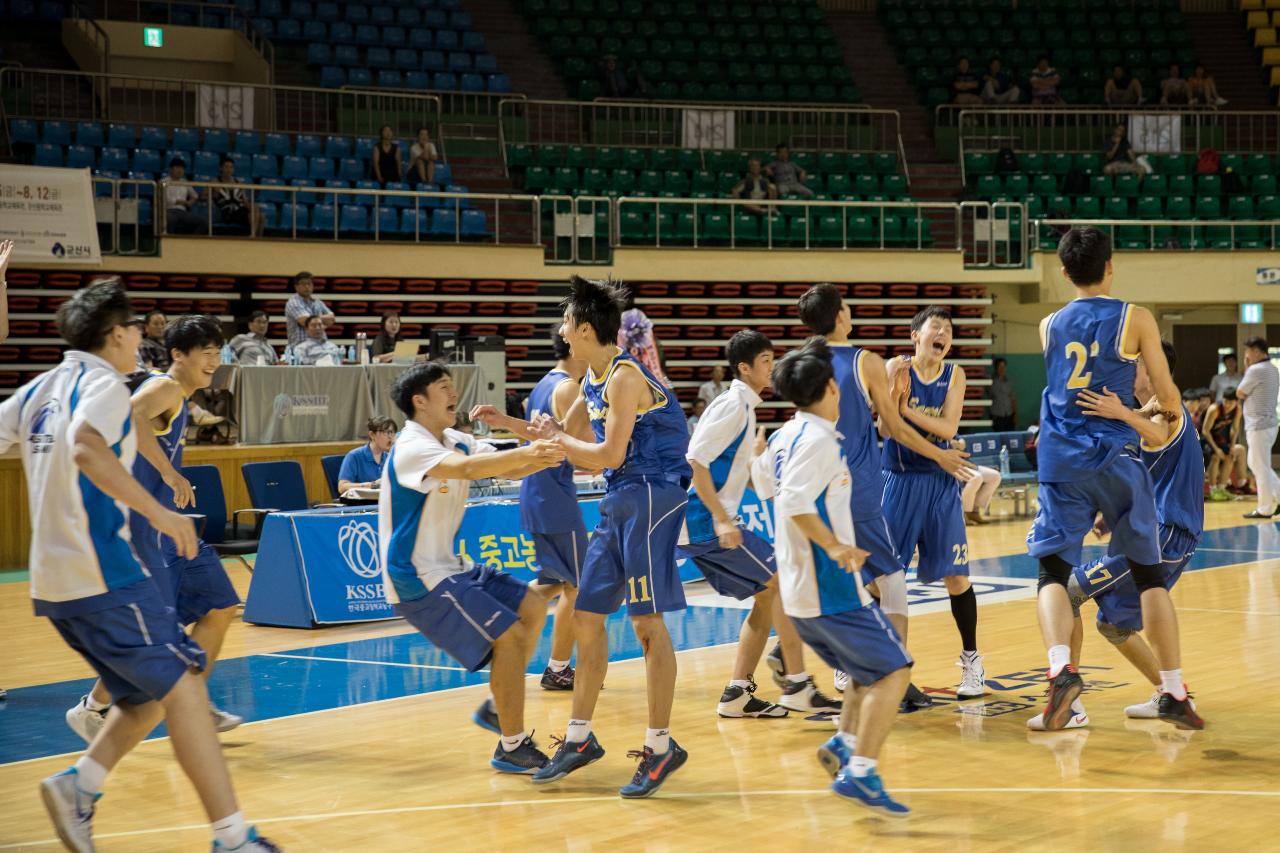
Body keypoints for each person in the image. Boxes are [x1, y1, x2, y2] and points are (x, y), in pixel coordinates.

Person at [0, 280, 279, 852]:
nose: (141, 342)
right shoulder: (105, 384)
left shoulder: (39, 390)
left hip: (53, 583)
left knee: (148, 694)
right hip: (105, 569)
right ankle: (234, 838)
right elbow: (84, 445)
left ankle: (80, 785)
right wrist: (163, 509)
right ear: (118, 334)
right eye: (136, 331)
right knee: (185, 693)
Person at [1028, 226, 1199, 731]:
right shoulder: (1136, 317)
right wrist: (1138, 408)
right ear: (1110, 266)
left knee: (1052, 575)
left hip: (1061, 459)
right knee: (1149, 579)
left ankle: (1061, 668)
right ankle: (1172, 688)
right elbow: (1168, 396)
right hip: (1117, 459)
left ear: (1063, 273)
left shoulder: (1048, 324)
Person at [529, 276, 693, 798]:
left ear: (582, 329)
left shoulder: (624, 377)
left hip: (650, 495)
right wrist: (504, 423)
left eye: (564, 324)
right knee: (586, 616)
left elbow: (609, 455)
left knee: (646, 625)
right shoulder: (589, 381)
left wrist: (558, 440)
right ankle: (578, 738)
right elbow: (554, 438)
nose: (559, 331)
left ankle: (662, 746)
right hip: (619, 499)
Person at [378, 361, 565, 775]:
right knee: (511, 637)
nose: (454, 393)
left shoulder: (455, 438)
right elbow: (465, 470)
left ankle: (499, 708)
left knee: (532, 608)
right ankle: (512, 746)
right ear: (419, 401)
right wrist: (532, 452)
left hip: (450, 566)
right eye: (444, 387)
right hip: (417, 576)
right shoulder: (411, 446)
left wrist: (548, 455)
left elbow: (505, 465)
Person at [753, 338, 914, 816]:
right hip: (830, 587)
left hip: (804, 595)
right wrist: (836, 546)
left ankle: (845, 743)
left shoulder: (785, 436)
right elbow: (793, 501)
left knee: (867, 672)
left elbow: (763, 482)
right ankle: (861, 772)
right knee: (894, 671)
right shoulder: (819, 441)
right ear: (828, 389)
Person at [66, 314, 245, 742]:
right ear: (178, 355)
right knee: (151, 638)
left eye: (217, 353)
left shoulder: (182, 397)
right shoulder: (164, 387)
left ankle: (194, 701)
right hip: (143, 534)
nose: (213, 361)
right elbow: (130, 417)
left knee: (219, 606)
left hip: (172, 534)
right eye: (205, 353)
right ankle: (93, 708)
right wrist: (168, 472)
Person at [794, 283, 971, 709]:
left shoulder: (801, 362)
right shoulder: (866, 361)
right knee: (891, 580)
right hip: (855, 485)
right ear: (840, 316)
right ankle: (895, 676)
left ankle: (807, 668)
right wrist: (941, 455)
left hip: (805, 486)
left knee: (834, 577)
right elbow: (893, 428)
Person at [677, 331, 819, 717]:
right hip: (704, 521)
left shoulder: (745, 406)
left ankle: (738, 693)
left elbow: (737, 473)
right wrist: (722, 520)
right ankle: (798, 683)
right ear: (745, 367)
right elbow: (695, 461)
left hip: (706, 520)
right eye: (767, 361)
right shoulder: (734, 406)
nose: (773, 369)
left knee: (767, 593)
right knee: (781, 583)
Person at [471, 328, 591, 691]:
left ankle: (493, 615)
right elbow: (581, 443)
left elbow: (539, 436)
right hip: (554, 495)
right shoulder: (570, 388)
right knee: (580, 588)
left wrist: (505, 422)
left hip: (536, 492)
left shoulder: (543, 384)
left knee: (553, 583)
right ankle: (558, 668)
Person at [881, 307, 985, 698]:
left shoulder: (954, 374)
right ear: (915, 336)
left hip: (940, 484)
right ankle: (861, 660)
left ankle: (972, 662)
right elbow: (883, 425)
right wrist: (897, 410)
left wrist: (905, 410)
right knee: (882, 577)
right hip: (898, 481)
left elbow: (949, 427)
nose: (942, 334)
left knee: (957, 577)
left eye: (948, 330)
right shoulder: (896, 367)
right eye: (935, 328)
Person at [1235, 336, 1280, 519]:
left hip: (1258, 426)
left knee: (1260, 467)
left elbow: (1240, 392)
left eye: (1247, 351)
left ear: (1255, 351)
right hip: (1269, 424)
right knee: (1257, 464)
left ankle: (1265, 508)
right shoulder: (1273, 368)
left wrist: (1247, 367)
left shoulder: (1255, 369)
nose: (1246, 355)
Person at [1201, 390, 1250, 500]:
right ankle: (1213, 490)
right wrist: (1216, 449)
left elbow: (1235, 428)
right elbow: (1205, 431)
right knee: (1215, 456)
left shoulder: (1238, 409)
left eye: (1231, 403)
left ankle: (1222, 488)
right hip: (1206, 439)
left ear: (1236, 402)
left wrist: (1232, 446)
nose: (1227, 405)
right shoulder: (1214, 409)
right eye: (1225, 401)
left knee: (1229, 456)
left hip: (1219, 439)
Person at [337, 416, 396, 494]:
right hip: (361, 504)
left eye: (392, 432)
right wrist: (372, 485)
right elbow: (342, 487)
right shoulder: (354, 456)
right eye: (385, 432)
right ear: (372, 435)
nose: (390, 437)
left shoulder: (390, 457)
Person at [209, 155, 264, 237]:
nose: (229, 170)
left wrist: (253, 207)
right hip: (226, 212)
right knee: (255, 212)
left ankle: (257, 238)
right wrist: (213, 196)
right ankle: (253, 236)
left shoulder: (238, 183)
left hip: (239, 211)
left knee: (261, 216)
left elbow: (245, 201)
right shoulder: (215, 182)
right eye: (226, 167)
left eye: (231, 167)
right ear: (221, 168)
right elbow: (203, 196)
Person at [953, 438, 1001, 525]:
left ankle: (974, 510)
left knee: (995, 476)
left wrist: (956, 444)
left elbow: (962, 444)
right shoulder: (940, 431)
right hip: (954, 466)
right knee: (976, 477)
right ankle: (963, 513)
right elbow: (952, 444)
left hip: (969, 464)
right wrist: (956, 444)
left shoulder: (954, 431)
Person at [284, 271, 336, 348]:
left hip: (320, 347)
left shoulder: (318, 302)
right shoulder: (293, 302)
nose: (307, 286)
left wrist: (312, 319)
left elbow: (332, 319)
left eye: (309, 283)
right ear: (296, 286)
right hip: (300, 349)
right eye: (303, 284)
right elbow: (305, 321)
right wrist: (322, 321)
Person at [163, 157, 202, 234]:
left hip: (182, 211)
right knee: (170, 219)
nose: (180, 170)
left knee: (203, 222)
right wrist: (185, 202)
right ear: (171, 169)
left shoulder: (184, 182)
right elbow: (168, 200)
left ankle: (191, 241)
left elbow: (195, 196)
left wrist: (191, 201)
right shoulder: (164, 182)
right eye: (177, 167)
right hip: (168, 210)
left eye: (182, 168)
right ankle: (170, 242)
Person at [990, 357, 1017, 432]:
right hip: (997, 415)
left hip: (1009, 414)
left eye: (1003, 366)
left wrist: (1015, 415)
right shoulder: (991, 381)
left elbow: (1013, 399)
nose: (1002, 369)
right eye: (1000, 366)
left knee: (1009, 436)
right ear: (996, 368)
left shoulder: (1009, 382)